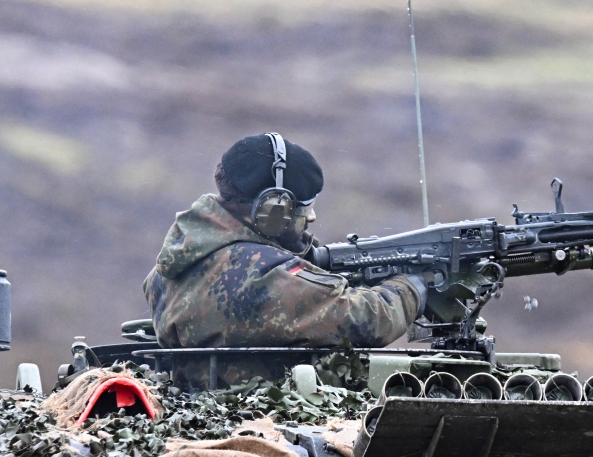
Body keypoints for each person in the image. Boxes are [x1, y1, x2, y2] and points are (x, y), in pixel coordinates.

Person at [144, 132, 427, 349]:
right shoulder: (259, 273)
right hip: (260, 405)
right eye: (304, 208)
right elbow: (367, 320)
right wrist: (413, 286)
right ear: (273, 209)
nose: (312, 217)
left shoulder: (168, 269)